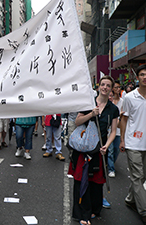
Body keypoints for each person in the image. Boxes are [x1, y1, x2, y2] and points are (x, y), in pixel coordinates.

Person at [68, 75, 119, 225]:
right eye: (102, 84)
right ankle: (82, 213)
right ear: (98, 87)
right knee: (81, 180)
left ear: (111, 89)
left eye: (108, 85)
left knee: (96, 182)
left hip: (99, 150)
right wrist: (91, 114)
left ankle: (94, 210)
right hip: (83, 149)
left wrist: (107, 145)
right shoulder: (88, 103)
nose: (105, 87)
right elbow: (77, 121)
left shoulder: (113, 109)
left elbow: (113, 131)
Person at [120, 64, 146, 225]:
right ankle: (143, 210)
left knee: (143, 177)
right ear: (137, 78)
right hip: (133, 143)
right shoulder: (129, 97)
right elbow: (124, 119)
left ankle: (130, 199)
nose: (145, 77)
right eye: (142, 74)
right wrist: (122, 140)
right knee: (137, 176)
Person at [107, 81, 123, 178]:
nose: (118, 89)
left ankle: (110, 162)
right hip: (109, 130)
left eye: (119, 87)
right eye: (116, 87)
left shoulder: (123, 101)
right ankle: (111, 168)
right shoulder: (109, 102)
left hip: (118, 129)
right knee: (110, 150)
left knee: (116, 150)